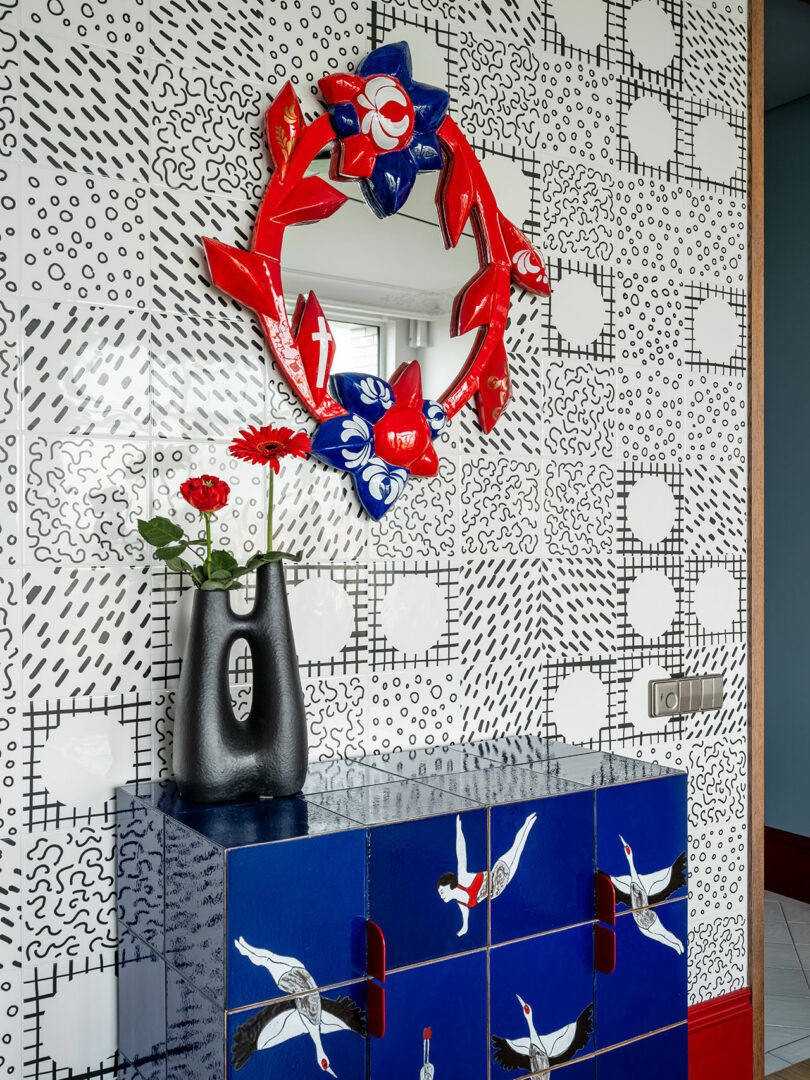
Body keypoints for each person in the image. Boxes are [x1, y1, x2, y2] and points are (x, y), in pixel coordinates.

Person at [436, 812, 537, 935]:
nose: (441, 896)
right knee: (519, 850)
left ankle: (527, 821)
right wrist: (465, 928)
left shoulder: (462, 878)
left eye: (442, 892)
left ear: (450, 884)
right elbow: (466, 914)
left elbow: (461, 852)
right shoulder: (460, 902)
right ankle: (528, 824)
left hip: (499, 871)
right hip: (499, 888)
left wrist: (458, 829)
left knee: (516, 847)